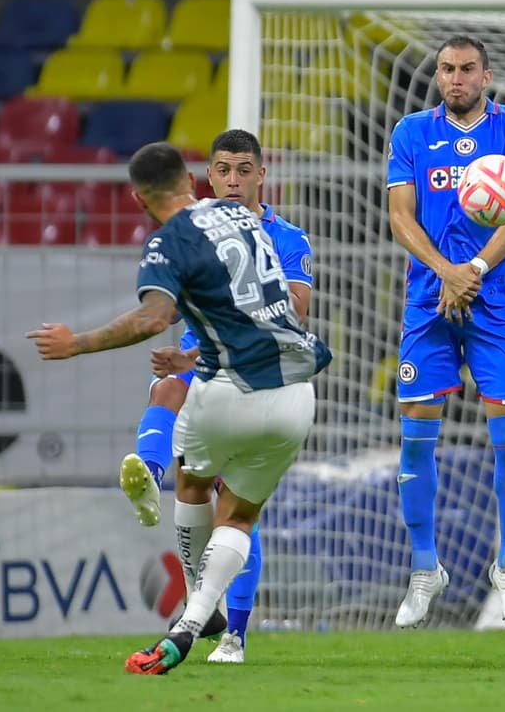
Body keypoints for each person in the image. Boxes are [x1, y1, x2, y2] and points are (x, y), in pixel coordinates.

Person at [26, 142, 332, 675]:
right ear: (195, 179)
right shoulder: (243, 214)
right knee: (239, 515)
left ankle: (162, 490)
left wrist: (75, 343)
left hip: (229, 388)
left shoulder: (167, 244)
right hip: (297, 394)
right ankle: (196, 622)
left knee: (194, 485)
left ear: (139, 198)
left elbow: (151, 319)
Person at [118, 128, 313, 664]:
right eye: (222, 169)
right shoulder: (198, 227)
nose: (232, 180)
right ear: (207, 175)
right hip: (203, 360)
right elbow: (176, 304)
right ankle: (148, 474)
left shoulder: (287, 236)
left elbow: (296, 310)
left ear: (261, 174)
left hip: (256, 366)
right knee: (165, 389)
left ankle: (234, 633)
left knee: (228, 500)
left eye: (242, 169)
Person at [386, 35, 505, 630]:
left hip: (493, 302)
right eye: (446, 69)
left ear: (487, 75)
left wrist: (471, 271)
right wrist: (447, 272)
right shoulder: (411, 132)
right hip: (427, 301)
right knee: (416, 439)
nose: (455, 78)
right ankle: (426, 568)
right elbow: (400, 215)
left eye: (467, 69)